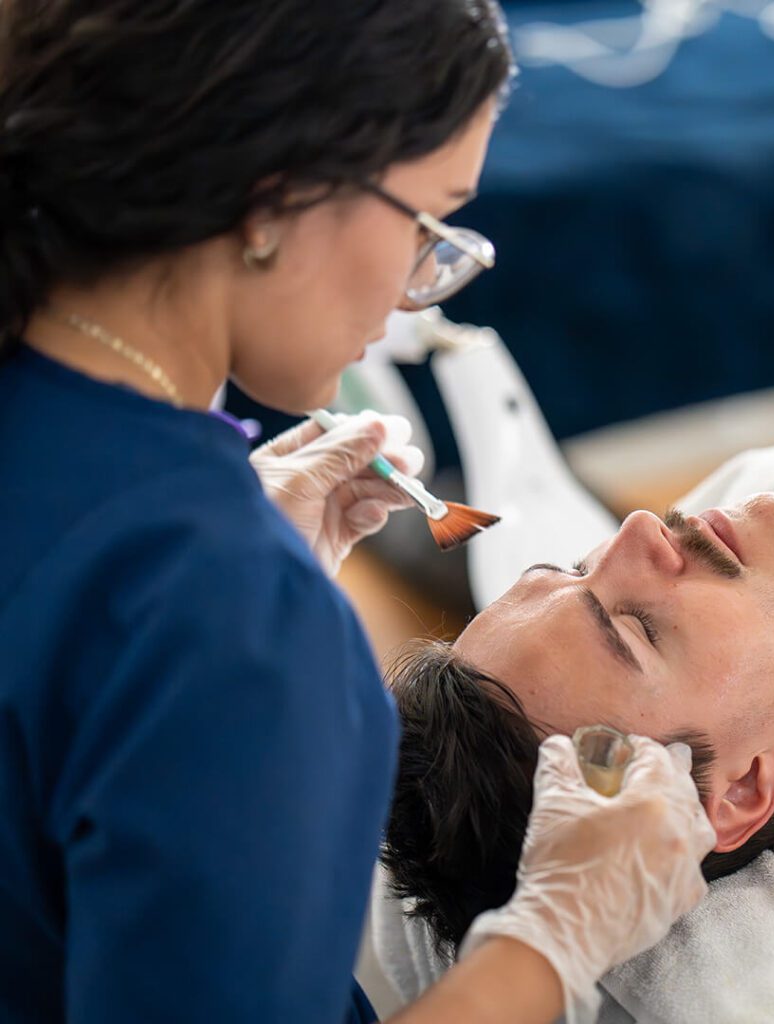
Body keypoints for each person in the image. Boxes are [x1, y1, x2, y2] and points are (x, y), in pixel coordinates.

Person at [0, 3, 716, 1023]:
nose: (422, 288)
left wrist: (219, 577)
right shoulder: (227, 615)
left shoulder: (151, 536)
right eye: (430, 222)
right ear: (277, 192)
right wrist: (555, 939)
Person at [381, 384, 774, 962]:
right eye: (638, 630)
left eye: (574, 566)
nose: (637, 529)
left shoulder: (766, 497)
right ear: (740, 788)